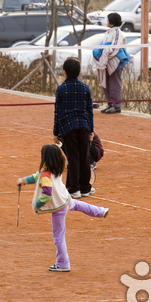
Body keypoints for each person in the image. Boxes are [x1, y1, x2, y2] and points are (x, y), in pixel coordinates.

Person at [16, 144, 109, 272]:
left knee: (58, 236)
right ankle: (100, 211)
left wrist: (37, 206)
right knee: (81, 205)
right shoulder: (55, 169)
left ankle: (63, 263)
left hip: (58, 207)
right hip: (65, 199)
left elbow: (47, 193)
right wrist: (23, 180)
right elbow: (35, 177)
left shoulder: (45, 174)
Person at [54, 58, 95, 199]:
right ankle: (85, 188)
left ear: (64, 72)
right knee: (85, 157)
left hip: (68, 127)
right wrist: (91, 130)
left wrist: (56, 132)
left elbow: (57, 112)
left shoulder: (61, 89)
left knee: (73, 157)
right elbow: (89, 111)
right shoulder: (85, 88)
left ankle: (73, 189)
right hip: (84, 126)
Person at [95, 12, 126, 114]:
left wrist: (106, 55)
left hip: (114, 62)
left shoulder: (117, 32)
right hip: (106, 62)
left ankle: (116, 106)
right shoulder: (108, 32)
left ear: (112, 22)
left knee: (114, 83)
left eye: (108, 20)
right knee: (106, 82)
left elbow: (114, 47)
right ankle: (110, 104)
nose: (107, 22)